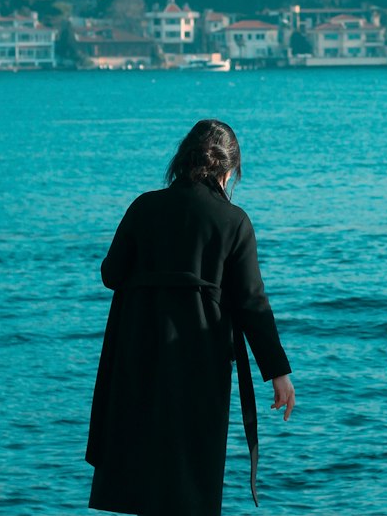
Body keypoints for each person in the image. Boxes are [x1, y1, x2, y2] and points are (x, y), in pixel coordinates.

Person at [86, 119, 295, 516]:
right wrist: (278, 373)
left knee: (143, 468)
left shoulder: (144, 206)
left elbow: (111, 274)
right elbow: (252, 303)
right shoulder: (234, 221)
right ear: (229, 170)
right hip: (198, 358)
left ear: (182, 160)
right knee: (190, 474)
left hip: (138, 353)